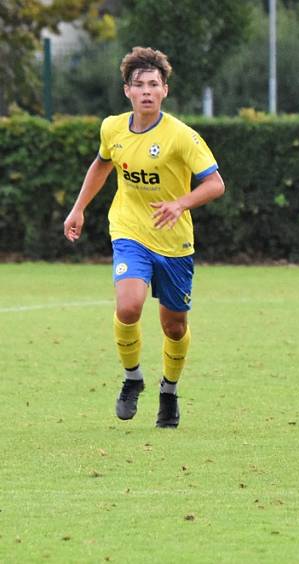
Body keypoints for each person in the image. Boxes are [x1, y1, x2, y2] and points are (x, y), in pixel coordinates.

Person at [63, 46, 225, 428]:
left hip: (174, 242)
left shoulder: (182, 136)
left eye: (154, 84)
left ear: (165, 90)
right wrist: (78, 208)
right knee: (129, 306)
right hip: (128, 229)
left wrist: (180, 204)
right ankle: (132, 378)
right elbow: (102, 165)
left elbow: (216, 184)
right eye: (140, 85)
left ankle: (168, 391)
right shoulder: (112, 128)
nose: (147, 91)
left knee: (175, 327)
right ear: (128, 92)